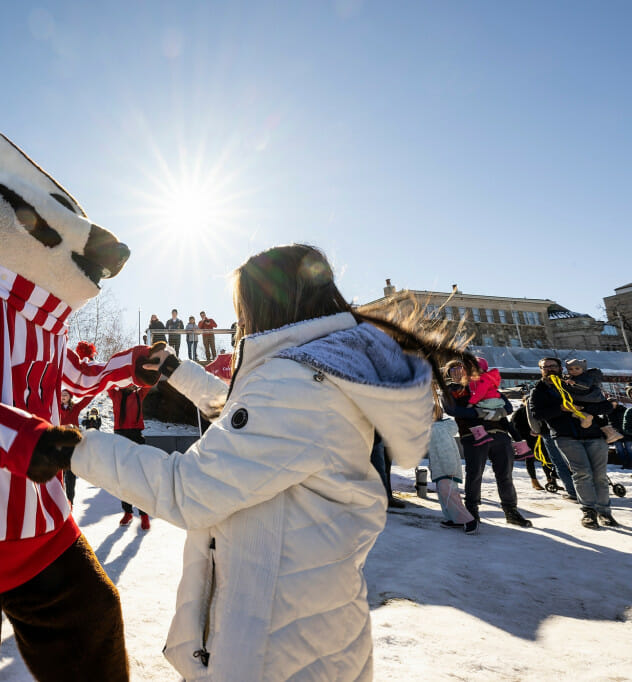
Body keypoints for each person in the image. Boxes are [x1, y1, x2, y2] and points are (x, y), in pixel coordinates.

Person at [35, 244, 463, 681]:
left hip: (274, 643)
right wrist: (174, 370)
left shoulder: (294, 385)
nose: (239, 319)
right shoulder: (315, 371)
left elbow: (191, 491)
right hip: (308, 620)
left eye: (242, 305)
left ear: (269, 303)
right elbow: (240, 415)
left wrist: (69, 448)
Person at [441, 359, 533, 530]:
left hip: (500, 435)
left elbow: (506, 405)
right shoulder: (451, 391)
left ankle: (511, 510)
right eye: (452, 370)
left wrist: (499, 411)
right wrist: (478, 412)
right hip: (473, 436)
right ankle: (471, 510)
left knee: (505, 475)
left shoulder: (485, 385)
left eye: (460, 368)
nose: (457, 372)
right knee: (475, 474)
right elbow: (452, 410)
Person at [529, 357, 618, 528]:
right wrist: (561, 409)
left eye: (552, 366)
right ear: (540, 369)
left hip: (594, 435)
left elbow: (605, 406)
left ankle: (605, 512)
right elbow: (538, 414)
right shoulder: (539, 390)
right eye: (544, 367)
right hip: (565, 436)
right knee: (582, 473)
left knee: (600, 475)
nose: (549, 369)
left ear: (560, 368)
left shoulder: (575, 383)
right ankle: (588, 511)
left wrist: (586, 410)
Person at [107, 384, 152, 530]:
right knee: (123, 478)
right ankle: (127, 512)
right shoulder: (116, 394)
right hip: (120, 435)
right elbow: (108, 381)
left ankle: (144, 515)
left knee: (140, 477)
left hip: (136, 435)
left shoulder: (139, 393)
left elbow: (149, 382)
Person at [429, 392, 476, 532]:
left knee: (449, 494)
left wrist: (449, 470)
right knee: (445, 494)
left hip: (446, 469)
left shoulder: (437, 429)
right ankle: (453, 518)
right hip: (440, 468)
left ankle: (469, 520)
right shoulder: (436, 429)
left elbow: (446, 450)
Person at [564, 358, 623, 443]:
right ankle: (611, 433)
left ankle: (583, 417)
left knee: (577, 409)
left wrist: (574, 383)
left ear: (583, 369)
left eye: (577, 368)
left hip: (592, 400)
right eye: (570, 369)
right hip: (590, 401)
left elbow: (586, 386)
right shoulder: (572, 378)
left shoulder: (586, 377)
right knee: (597, 416)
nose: (574, 371)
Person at [59, 389, 92, 506]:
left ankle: (70, 501)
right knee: (59, 475)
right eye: (61, 394)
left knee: (70, 475)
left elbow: (86, 400)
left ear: (70, 397)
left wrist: (96, 388)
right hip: (59, 443)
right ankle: (59, 501)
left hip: (72, 444)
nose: (63, 396)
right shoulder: (55, 408)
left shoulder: (75, 408)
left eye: (65, 395)